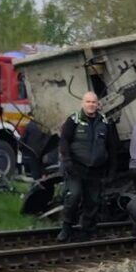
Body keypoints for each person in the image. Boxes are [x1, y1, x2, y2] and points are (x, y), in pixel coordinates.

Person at [57, 90, 119, 241]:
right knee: (74, 196)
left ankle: (87, 232)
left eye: (93, 102)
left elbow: (112, 147)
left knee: (93, 202)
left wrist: (112, 170)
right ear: (82, 103)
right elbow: (64, 141)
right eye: (88, 102)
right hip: (75, 168)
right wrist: (67, 162)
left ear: (98, 104)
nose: (91, 105)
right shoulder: (73, 120)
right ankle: (66, 228)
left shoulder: (105, 123)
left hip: (96, 170)